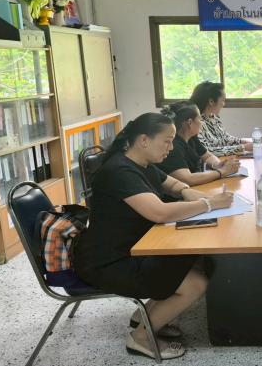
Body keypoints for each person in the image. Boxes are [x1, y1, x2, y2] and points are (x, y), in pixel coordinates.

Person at [72, 113, 234, 359]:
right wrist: (209, 204)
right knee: (196, 283)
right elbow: (159, 212)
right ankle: (140, 338)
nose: (171, 148)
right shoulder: (120, 171)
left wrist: (188, 193)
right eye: (167, 141)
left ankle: (144, 317)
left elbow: (172, 184)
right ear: (144, 140)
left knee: (195, 261)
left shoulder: (141, 164)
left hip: (132, 247)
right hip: (108, 261)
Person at [158, 101, 240, 185]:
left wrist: (217, 164)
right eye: (200, 119)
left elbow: (207, 156)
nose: (201, 123)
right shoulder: (172, 146)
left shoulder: (191, 137)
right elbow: (187, 179)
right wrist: (222, 172)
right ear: (190, 122)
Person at [190, 81, 262, 156]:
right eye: (223, 100)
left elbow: (225, 139)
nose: (224, 104)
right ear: (211, 101)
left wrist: (245, 142)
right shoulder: (196, 123)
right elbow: (207, 152)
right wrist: (243, 147)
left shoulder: (213, 117)